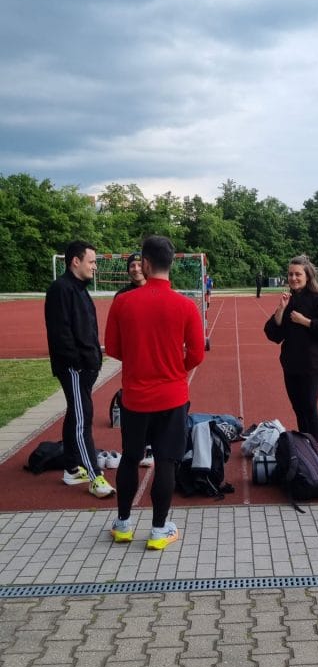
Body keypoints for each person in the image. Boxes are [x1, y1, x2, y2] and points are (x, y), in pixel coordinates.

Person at [105, 235, 206, 550]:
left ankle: (123, 524)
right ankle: (159, 530)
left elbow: (114, 348)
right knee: (166, 462)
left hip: (135, 396)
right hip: (172, 397)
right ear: (171, 263)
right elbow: (198, 354)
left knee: (130, 458)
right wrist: (176, 366)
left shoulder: (123, 302)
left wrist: (140, 361)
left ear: (145, 264)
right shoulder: (185, 305)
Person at [44, 240, 116, 498]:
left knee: (75, 415)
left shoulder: (79, 290)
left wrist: (94, 357)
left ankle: (72, 469)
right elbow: (61, 332)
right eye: (92, 261)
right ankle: (94, 476)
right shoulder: (61, 289)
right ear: (76, 261)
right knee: (83, 418)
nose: (95, 267)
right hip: (73, 368)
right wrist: (78, 361)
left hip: (85, 366)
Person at [264, 255, 318, 443]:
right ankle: (305, 443)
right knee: (298, 408)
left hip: (311, 364)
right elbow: (274, 335)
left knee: (310, 407)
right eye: (290, 274)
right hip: (291, 363)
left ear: (307, 276)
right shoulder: (289, 300)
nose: (293, 278)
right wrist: (280, 309)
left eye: (298, 274)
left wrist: (306, 322)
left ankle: (315, 446)